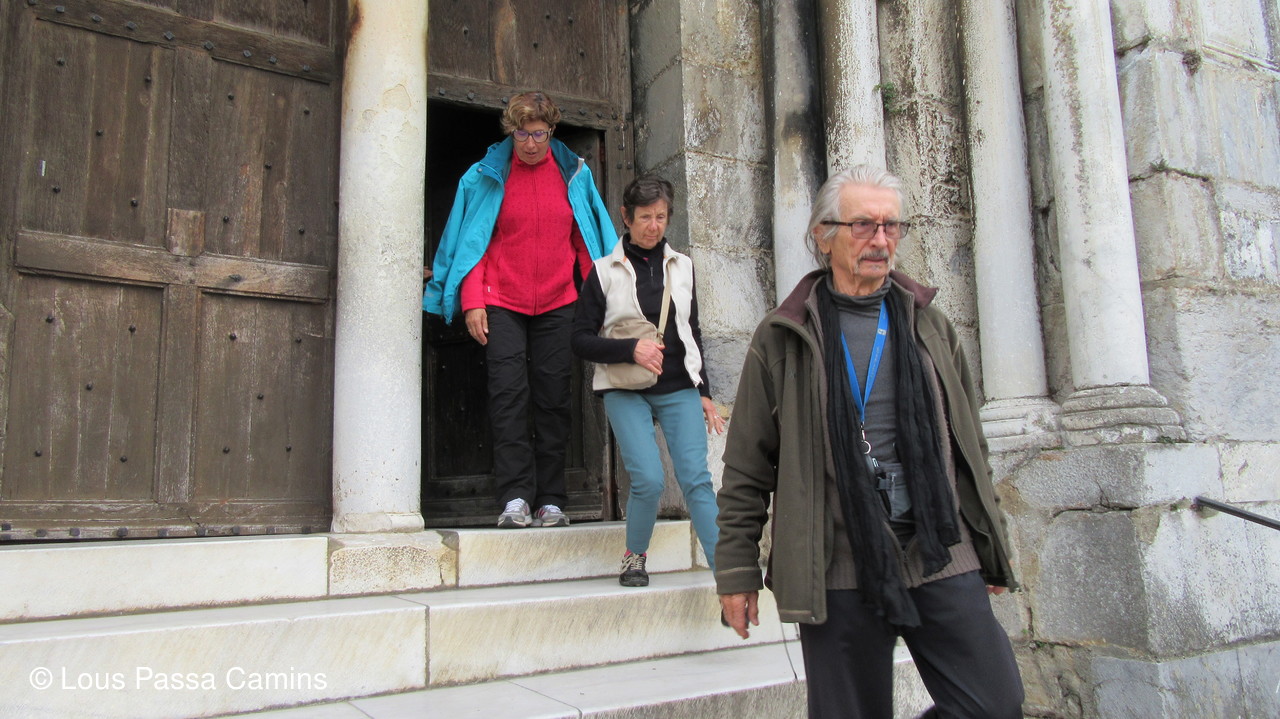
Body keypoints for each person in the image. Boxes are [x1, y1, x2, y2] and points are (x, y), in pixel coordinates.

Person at [714, 166, 1024, 718]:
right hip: (838, 565)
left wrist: (989, 541)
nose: (880, 240)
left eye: (891, 225)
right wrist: (736, 571)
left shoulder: (930, 324)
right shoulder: (782, 336)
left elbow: (970, 446)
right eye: (862, 225)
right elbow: (747, 467)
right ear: (822, 235)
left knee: (995, 707)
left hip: (939, 551)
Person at [423, 91, 617, 529]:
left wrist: (597, 301)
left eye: (539, 134)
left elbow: (585, 241)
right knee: (507, 396)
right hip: (500, 301)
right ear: (510, 131)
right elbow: (475, 243)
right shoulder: (486, 174)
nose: (530, 143)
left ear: (552, 130)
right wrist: (473, 301)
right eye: (522, 134)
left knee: (554, 398)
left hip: (559, 302)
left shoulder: (573, 173)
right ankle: (515, 498)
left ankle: (551, 500)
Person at [571, 175, 725, 587]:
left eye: (660, 217)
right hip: (624, 387)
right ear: (626, 217)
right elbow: (579, 340)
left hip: (678, 386)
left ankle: (726, 574)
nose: (653, 226)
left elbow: (692, 331)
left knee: (697, 479)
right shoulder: (603, 272)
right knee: (649, 479)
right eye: (645, 217)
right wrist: (631, 349)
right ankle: (634, 557)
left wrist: (703, 391)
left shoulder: (683, 266)